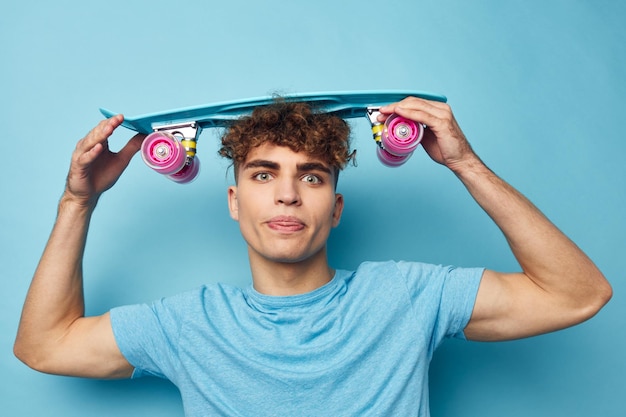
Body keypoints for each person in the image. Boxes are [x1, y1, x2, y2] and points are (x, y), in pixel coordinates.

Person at [14, 96, 612, 416]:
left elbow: (578, 293)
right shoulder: (188, 324)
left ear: (337, 208)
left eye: (313, 177)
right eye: (263, 173)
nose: (287, 193)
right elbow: (43, 346)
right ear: (233, 200)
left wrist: (465, 163)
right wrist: (77, 202)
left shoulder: (405, 297)